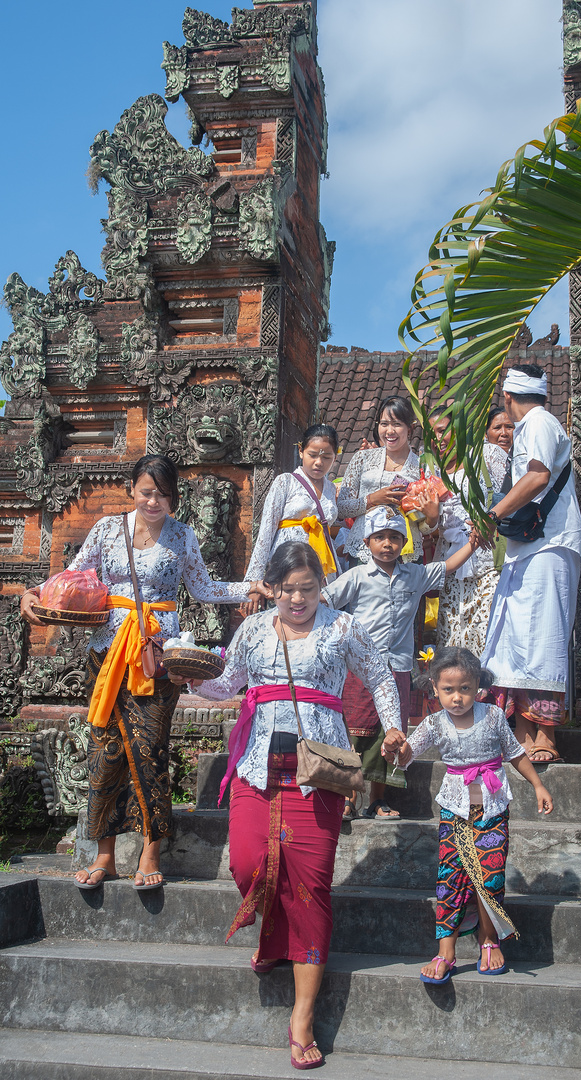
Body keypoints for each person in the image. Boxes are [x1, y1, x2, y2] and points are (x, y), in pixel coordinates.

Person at [177, 541, 404, 1069]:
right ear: (272, 588)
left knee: (311, 882)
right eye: (287, 589)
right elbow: (227, 683)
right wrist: (184, 673)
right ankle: (274, 934)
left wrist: (393, 726)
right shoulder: (253, 630)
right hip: (257, 761)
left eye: (307, 588)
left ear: (322, 587)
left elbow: (379, 677)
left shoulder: (343, 627)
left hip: (318, 768)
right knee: (245, 861)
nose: (297, 599)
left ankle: (301, 1018)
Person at [20, 454, 253, 891]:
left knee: (151, 750)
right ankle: (103, 853)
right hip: (107, 654)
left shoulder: (183, 536)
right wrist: (34, 591)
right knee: (106, 751)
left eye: (164, 494)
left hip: (156, 657)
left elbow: (204, 588)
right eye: (147, 491)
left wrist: (250, 586)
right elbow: (74, 576)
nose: (154, 501)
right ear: (132, 489)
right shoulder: (108, 529)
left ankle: (150, 848)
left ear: (174, 498)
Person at [390, 646, 553, 982]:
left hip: (493, 809)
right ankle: (445, 950)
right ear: (434, 687)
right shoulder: (434, 723)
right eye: (448, 689)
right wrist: (396, 747)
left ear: (478, 685)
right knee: (450, 879)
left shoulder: (493, 716)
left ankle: (489, 941)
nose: (457, 697)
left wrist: (538, 785)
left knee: (490, 878)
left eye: (465, 688)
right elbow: (407, 756)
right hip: (455, 813)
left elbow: (516, 753)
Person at [323, 505, 481, 820]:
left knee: (389, 734)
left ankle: (377, 800)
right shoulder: (357, 575)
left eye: (395, 537)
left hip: (398, 667)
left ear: (404, 542)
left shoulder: (416, 575)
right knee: (356, 733)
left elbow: (447, 566)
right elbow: (326, 600)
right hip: (361, 667)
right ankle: (348, 798)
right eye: (380, 537)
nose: (387, 544)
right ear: (367, 542)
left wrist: (473, 544)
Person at [481, 364, 581, 764]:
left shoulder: (540, 422)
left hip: (551, 543)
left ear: (508, 397)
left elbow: (538, 478)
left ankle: (547, 735)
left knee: (544, 637)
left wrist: (493, 515)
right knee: (514, 638)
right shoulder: (533, 425)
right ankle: (522, 735)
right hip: (527, 547)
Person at [423, 410, 509, 656]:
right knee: (450, 636)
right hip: (450, 565)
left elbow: (514, 494)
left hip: (487, 560)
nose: (437, 439)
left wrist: (490, 517)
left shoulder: (486, 455)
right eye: (431, 433)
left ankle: (488, 693)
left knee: (485, 632)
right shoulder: (431, 472)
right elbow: (430, 528)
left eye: (442, 430)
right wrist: (430, 516)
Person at [244, 424, 340, 587]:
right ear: (301, 451)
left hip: (321, 564)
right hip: (287, 559)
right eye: (313, 455)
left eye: (326, 457)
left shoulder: (331, 489)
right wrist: (254, 579)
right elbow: (267, 529)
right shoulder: (285, 481)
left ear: (335, 458)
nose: (319, 462)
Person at [336, 395, 422, 565]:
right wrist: (371, 500)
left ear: (410, 429)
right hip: (363, 550)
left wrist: (431, 516)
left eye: (397, 424)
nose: (389, 431)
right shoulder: (362, 458)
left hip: (406, 553)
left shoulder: (422, 467)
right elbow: (341, 508)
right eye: (384, 424)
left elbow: (427, 525)